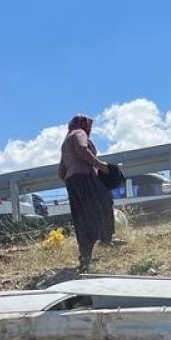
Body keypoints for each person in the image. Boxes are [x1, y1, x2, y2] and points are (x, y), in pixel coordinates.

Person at [57, 115, 115, 271]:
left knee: (81, 218)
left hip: (71, 182)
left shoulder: (65, 142)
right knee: (105, 202)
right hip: (84, 176)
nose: (89, 128)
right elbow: (82, 149)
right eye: (88, 125)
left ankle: (85, 255)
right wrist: (100, 165)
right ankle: (106, 239)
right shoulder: (79, 133)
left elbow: (61, 172)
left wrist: (73, 181)